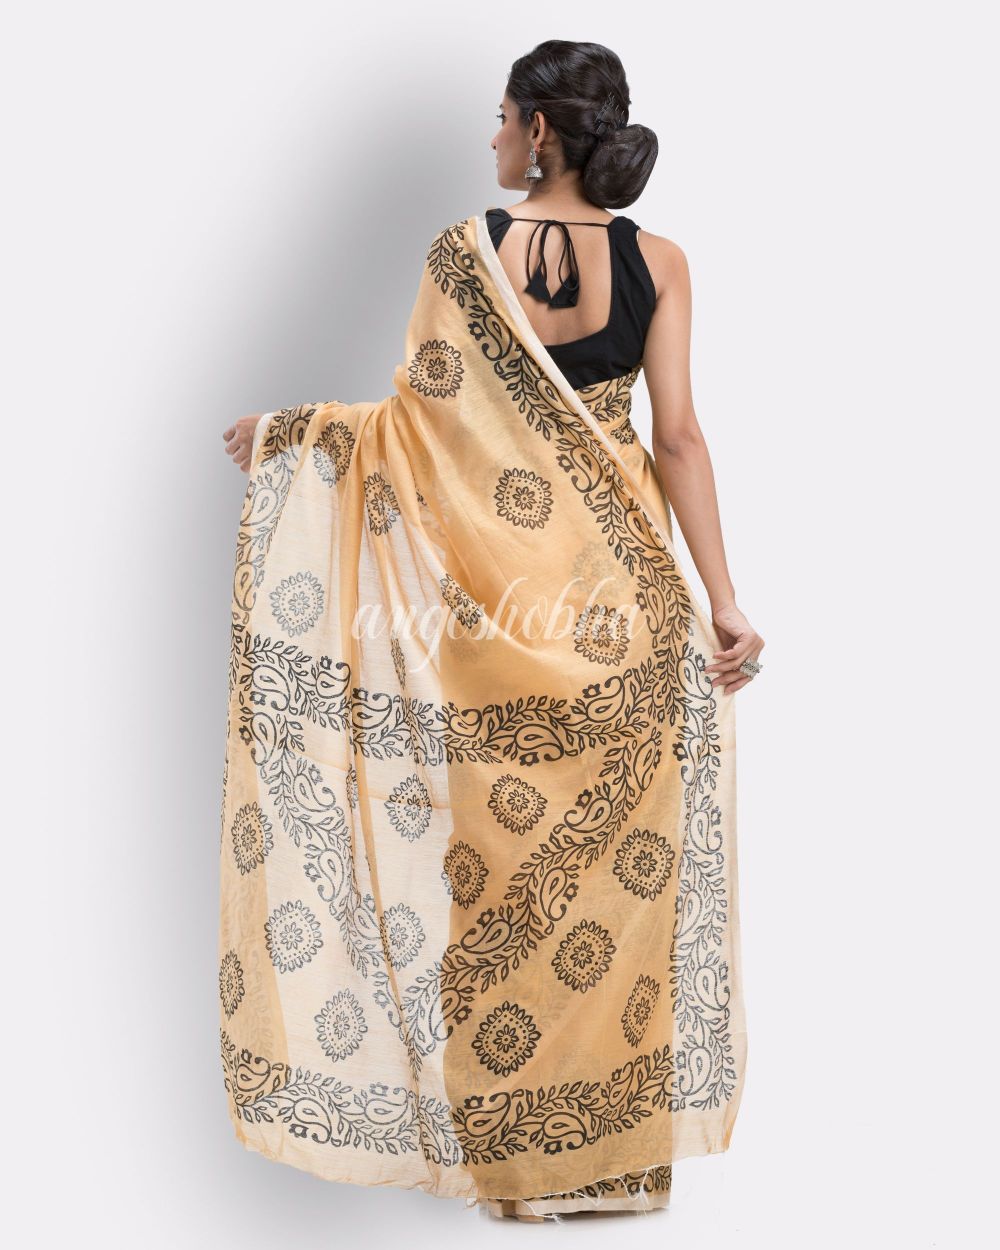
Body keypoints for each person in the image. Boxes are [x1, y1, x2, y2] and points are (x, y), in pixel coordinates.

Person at [219, 39, 761, 1223]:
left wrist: (300, 431)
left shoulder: (463, 255)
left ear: (539, 131)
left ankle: (517, 1170)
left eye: (504, 117)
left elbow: (421, 438)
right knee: (618, 885)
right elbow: (677, 439)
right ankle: (609, 1163)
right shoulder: (660, 262)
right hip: (623, 614)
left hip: (490, 622)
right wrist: (723, 599)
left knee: (494, 879)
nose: (493, 135)